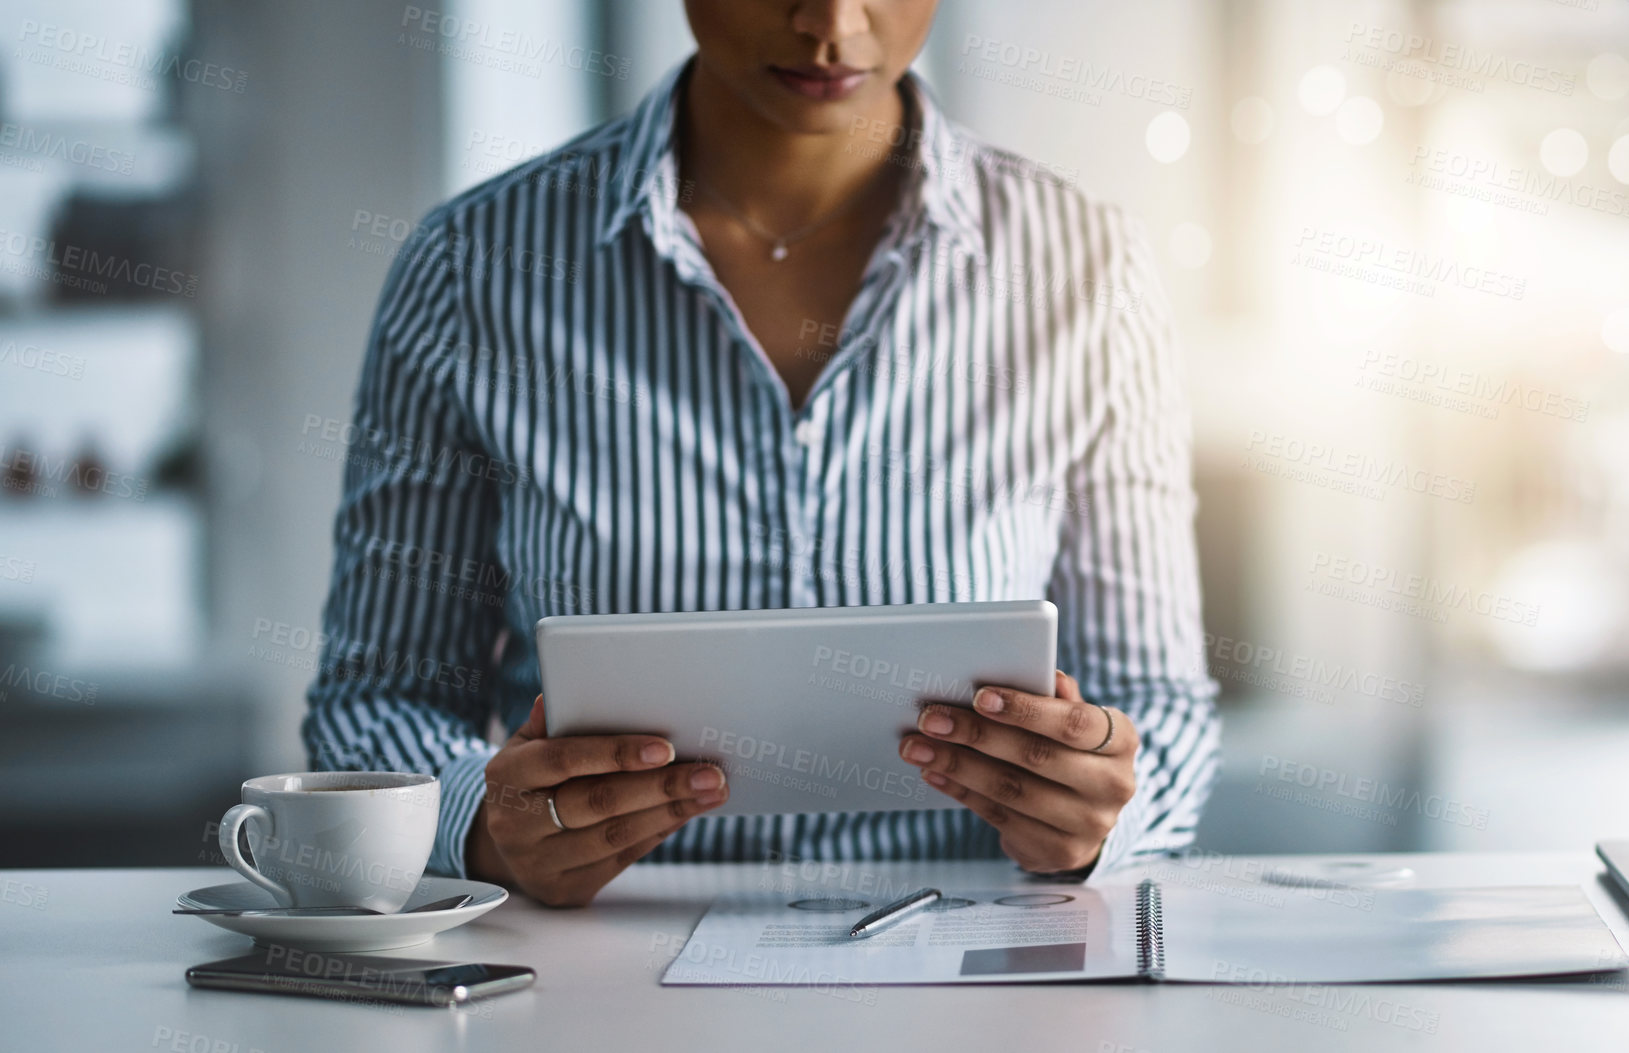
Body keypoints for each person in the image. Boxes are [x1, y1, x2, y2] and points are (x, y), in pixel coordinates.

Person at [304, 0, 1219, 907]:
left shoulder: (1088, 270)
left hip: (969, 956)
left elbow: (1161, 706)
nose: (831, 24)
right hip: (599, 976)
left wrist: (1100, 817)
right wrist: (482, 828)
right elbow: (375, 701)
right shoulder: (473, 270)